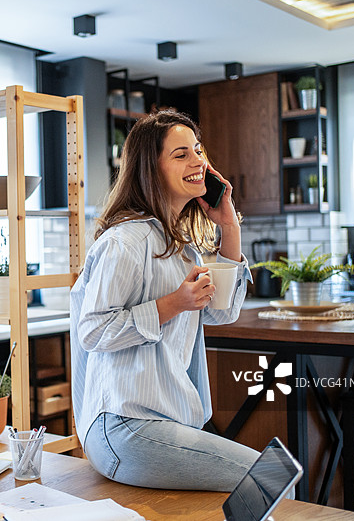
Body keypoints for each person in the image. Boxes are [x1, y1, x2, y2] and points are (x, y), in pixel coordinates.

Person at [70, 109, 258, 491]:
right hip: (122, 426)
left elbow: (221, 312)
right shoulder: (126, 242)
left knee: (266, 474)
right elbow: (91, 330)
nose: (198, 161)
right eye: (181, 154)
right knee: (265, 474)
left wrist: (230, 227)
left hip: (160, 423)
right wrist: (173, 303)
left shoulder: (179, 246)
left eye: (198, 149)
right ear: (150, 169)